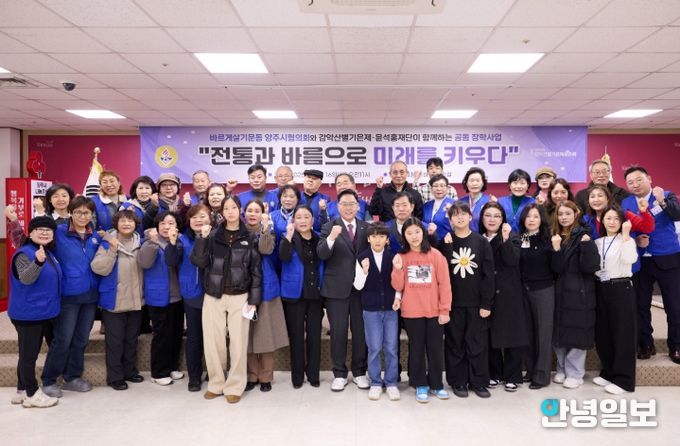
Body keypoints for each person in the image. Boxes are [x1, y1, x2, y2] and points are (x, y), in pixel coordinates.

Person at [190, 195, 262, 404]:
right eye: (226, 208)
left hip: (240, 296)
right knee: (214, 343)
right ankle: (216, 383)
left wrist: (254, 299)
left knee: (238, 343)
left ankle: (235, 385)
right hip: (214, 296)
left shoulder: (250, 236)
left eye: (233, 207)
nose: (230, 211)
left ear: (239, 210)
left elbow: (256, 271)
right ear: (221, 212)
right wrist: (202, 239)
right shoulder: (212, 235)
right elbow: (199, 261)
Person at [40, 196, 101, 398]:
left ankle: (72, 377)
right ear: (70, 213)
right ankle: (49, 380)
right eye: (78, 212)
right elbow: (34, 242)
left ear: (92, 214)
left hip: (91, 296)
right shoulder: (58, 233)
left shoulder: (95, 236)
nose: (82, 216)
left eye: (87, 212)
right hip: (67, 295)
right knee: (63, 339)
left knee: (81, 338)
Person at [621, 166, 680, 364]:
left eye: (639, 180)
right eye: (630, 182)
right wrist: (635, 240)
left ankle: (676, 346)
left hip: (668, 257)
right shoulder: (626, 203)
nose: (635, 185)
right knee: (640, 306)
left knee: (674, 306)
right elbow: (624, 229)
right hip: (640, 261)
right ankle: (645, 344)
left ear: (649, 179)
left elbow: (677, 215)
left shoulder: (666, 195)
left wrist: (662, 201)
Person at [391, 218, 452, 403]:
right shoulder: (401, 256)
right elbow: (397, 286)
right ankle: (420, 384)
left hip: (434, 311)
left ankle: (437, 384)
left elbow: (445, 284)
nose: (414, 236)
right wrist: (398, 269)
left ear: (423, 233)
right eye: (409, 233)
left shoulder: (436, 255)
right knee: (416, 349)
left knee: (435, 349)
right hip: (412, 312)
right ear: (404, 236)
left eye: (417, 232)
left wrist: (445, 310)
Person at [440, 202, 495, 399]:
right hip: (453, 304)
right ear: (450, 220)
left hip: (476, 303)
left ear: (471, 217)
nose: (460, 217)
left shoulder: (481, 242)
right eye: (455, 215)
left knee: (477, 343)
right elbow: (442, 273)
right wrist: (447, 247)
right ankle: (458, 382)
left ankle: (478, 382)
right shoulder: (445, 241)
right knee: (455, 344)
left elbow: (488, 275)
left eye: (463, 214)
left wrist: (486, 303)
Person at [317, 189, 370, 391]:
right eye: (344, 204)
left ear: (358, 206)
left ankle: (359, 372)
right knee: (338, 332)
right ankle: (339, 373)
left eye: (352, 204)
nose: (348, 208)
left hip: (360, 288)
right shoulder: (328, 227)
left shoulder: (366, 227)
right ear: (338, 207)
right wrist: (331, 237)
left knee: (360, 332)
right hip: (336, 289)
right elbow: (322, 254)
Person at [8, 216, 61, 408]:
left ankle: (21, 390)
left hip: (41, 311)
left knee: (27, 354)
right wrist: (38, 262)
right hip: (28, 313)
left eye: (48, 230)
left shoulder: (46, 251)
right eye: (39, 229)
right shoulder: (25, 253)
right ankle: (31, 394)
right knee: (29, 356)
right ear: (30, 233)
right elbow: (26, 278)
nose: (44, 232)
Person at [90, 209, 145, 391]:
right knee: (115, 342)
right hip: (114, 300)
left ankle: (130, 371)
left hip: (136, 300)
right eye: (122, 220)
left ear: (135, 224)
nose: (126, 224)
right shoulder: (107, 242)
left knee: (131, 340)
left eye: (130, 220)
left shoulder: (141, 243)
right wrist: (112, 250)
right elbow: (98, 268)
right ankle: (115, 377)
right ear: (116, 224)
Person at [478, 202, 528, 392]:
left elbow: (512, 260)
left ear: (503, 220)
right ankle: (495, 373)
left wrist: (506, 239)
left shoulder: (512, 237)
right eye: (488, 215)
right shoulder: (478, 238)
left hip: (509, 293)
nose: (492, 219)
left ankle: (513, 376)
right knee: (490, 335)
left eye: (497, 216)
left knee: (512, 334)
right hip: (487, 293)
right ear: (482, 218)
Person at [551, 200, 600, 389]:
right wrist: (556, 248)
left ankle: (576, 373)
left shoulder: (584, 235)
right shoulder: (554, 236)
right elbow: (556, 268)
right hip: (559, 291)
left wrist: (587, 246)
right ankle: (562, 369)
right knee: (559, 332)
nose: (564, 217)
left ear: (576, 214)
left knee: (577, 332)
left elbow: (591, 266)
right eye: (560, 214)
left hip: (580, 291)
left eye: (567, 213)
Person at [165, 204, 212, 392]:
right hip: (192, 294)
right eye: (194, 217)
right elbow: (171, 261)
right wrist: (171, 242)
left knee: (214, 337)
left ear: (210, 218)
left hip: (215, 294)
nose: (198, 220)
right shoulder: (182, 239)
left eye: (202, 216)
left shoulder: (216, 237)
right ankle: (194, 376)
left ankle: (214, 372)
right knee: (194, 337)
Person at [243, 200, 288, 392]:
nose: (253, 214)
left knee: (265, 334)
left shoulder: (269, 230)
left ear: (263, 213)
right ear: (244, 213)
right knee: (247, 335)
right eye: (249, 210)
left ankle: (266, 376)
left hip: (266, 287)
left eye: (257, 211)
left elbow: (266, 249)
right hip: (243, 287)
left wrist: (265, 228)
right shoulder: (237, 231)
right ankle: (251, 375)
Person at [353, 222, 400, 401]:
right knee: (374, 347)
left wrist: (397, 297)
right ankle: (375, 382)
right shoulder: (362, 257)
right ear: (368, 239)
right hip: (371, 309)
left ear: (387, 240)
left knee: (391, 347)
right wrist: (364, 272)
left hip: (390, 308)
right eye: (373, 236)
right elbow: (357, 286)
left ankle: (391, 382)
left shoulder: (393, 257)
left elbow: (399, 282)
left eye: (381, 236)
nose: (377, 240)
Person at [594, 207, 638, 395]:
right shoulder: (598, 242)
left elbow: (630, 259)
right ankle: (608, 372)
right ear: (602, 221)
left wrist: (626, 235)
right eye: (608, 218)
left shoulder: (626, 240)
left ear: (622, 222)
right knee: (603, 333)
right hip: (600, 287)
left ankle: (624, 380)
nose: (612, 222)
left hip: (621, 288)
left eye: (616, 219)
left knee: (622, 334)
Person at [138, 212, 185, 386]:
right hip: (158, 295)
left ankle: (172, 367)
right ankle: (158, 372)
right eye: (163, 223)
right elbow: (144, 263)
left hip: (177, 296)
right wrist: (152, 242)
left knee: (175, 334)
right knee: (161, 336)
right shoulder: (149, 241)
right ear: (157, 226)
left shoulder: (178, 241)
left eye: (171, 223)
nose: (166, 226)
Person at [280, 205, 324, 389]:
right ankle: (297, 377)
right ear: (293, 221)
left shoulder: (319, 238)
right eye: (299, 217)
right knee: (296, 338)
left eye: (307, 217)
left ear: (312, 220)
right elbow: (283, 257)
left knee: (314, 337)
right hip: (294, 295)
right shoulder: (287, 238)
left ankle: (313, 374)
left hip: (315, 295)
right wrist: (289, 236)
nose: (303, 220)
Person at [518, 203, 555, 389]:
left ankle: (541, 376)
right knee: (528, 333)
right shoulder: (522, 237)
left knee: (543, 335)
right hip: (524, 291)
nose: (531, 220)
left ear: (542, 219)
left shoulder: (548, 239)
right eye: (528, 216)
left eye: (535, 216)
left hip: (543, 291)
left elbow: (556, 267)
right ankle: (531, 370)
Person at [583, 184, 654, 239]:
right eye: (592, 196)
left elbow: (647, 228)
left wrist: (644, 212)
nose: (596, 200)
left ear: (608, 199)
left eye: (600, 196)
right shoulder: (586, 220)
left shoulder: (623, 214)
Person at [498, 169, 535, 233]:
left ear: (528, 185)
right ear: (510, 185)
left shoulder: (533, 203)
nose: (518, 186)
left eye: (522, 183)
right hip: (504, 237)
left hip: (526, 238)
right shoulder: (501, 202)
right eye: (515, 183)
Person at [460, 167, 494, 233]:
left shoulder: (489, 201)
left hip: (483, 237)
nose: (474, 184)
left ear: (483, 183)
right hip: (463, 237)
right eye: (471, 181)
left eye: (478, 181)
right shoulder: (460, 202)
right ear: (466, 183)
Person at [422, 174, 455, 241]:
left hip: (447, 242)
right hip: (427, 243)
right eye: (435, 186)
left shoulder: (454, 204)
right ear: (431, 189)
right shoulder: (426, 206)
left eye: (442, 186)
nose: (439, 189)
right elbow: (421, 222)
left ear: (447, 188)